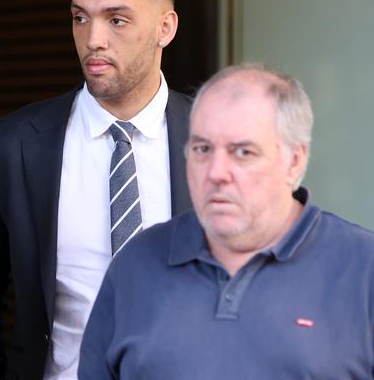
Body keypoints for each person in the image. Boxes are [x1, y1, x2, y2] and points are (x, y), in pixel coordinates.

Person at [0, 0, 193, 379]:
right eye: (80, 18)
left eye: (116, 20)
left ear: (165, 27)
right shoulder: (8, 147)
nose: (93, 39)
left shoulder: (215, 139)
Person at [79, 64, 374, 379]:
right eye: (203, 149)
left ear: (294, 160)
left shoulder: (363, 268)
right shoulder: (136, 265)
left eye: (243, 152)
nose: (216, 172)